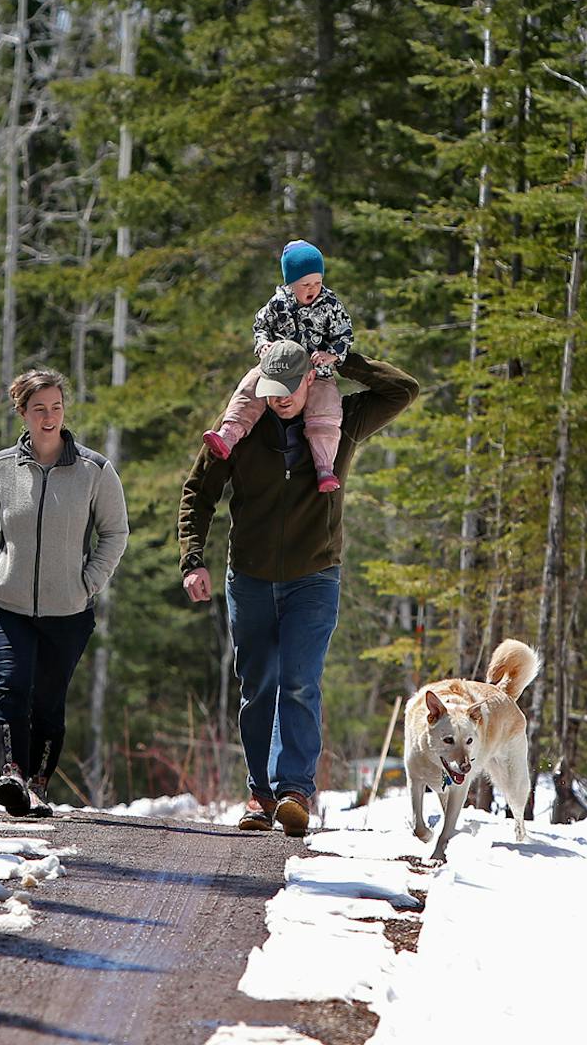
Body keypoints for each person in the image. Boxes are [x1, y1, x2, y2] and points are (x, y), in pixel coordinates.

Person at [179, 339, 418, 836]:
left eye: (290, 387)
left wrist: (341, 358)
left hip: (314, 576)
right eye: (271, 389)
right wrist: (192, 560)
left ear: (311, 378)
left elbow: (402, 389)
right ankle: (259, 795)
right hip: (249, 577)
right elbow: (198, 493)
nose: (280, 398)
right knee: (258, 685)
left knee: (302, 681)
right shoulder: (239, 428)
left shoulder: (342, 422)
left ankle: (293, 792)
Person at [0, 368, 129, 817]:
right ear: (23, 413)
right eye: (40, 409)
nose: (50, 417)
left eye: (56, 407)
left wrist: (88, 581)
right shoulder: (0, 468)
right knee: (12, 686)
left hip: (69, 611)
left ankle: (37, 785)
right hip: (7, 605)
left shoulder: (94, 470)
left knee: (48, 702)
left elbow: (114, 533)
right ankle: (12, 775)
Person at [201, 239, 356, 492]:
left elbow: (344, 335)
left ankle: (325, 467)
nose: (313, 289)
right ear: (290, 283)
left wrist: (333, 355)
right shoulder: (277, 303)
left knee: (325, 408)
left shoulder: (330, 304)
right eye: (305, 284)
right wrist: (263, 345)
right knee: (250, 387)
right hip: (277, 367)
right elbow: (260, 327)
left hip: (317, 372)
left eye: (317, 283)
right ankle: (229, 434)